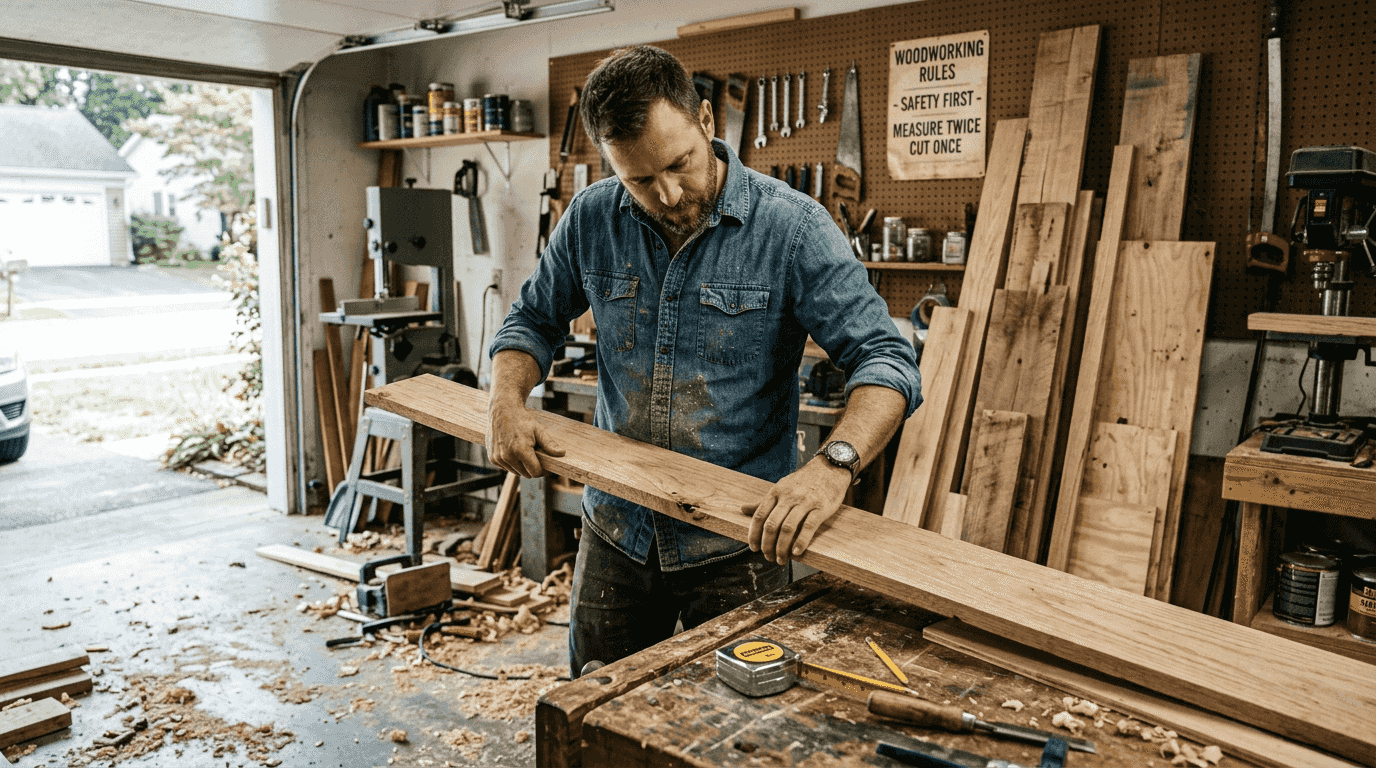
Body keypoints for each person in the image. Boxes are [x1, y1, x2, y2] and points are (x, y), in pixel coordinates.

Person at [485, 45, 921, 678]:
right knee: (596, 718)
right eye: (638, 180)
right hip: (616, 534)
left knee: (740, 738)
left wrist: (834, 466)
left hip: (739, 543)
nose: (665, 193)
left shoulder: (793, 228)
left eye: (678, 164)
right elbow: (531, 321)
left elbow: (886, 359)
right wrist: (503, 400)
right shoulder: (590, 219)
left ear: (708, 122)